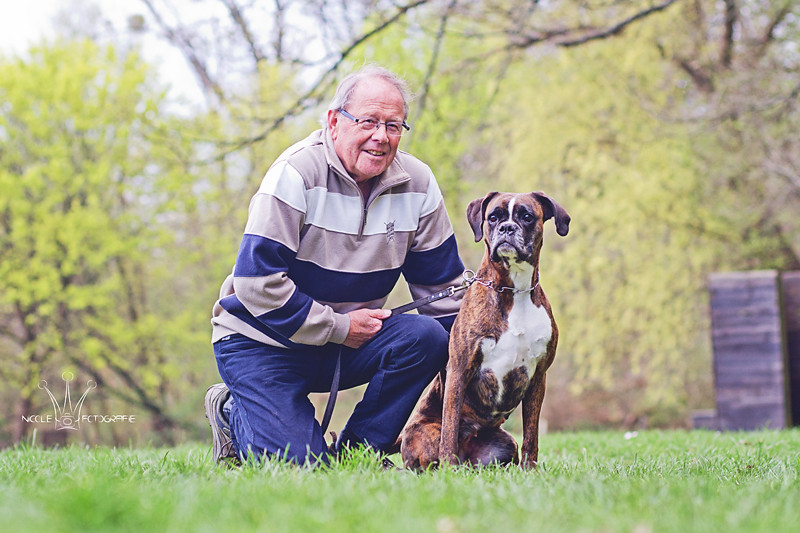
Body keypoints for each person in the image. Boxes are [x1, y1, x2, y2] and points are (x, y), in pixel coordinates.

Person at [204, 65, 466, 465]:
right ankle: (232, 413)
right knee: (299, 469)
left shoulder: (418, 183)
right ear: (334, 121)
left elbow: (443, 292)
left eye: (394, 126)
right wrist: (339, 327)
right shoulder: (295, 174)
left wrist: (481, 360)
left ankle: (358, 453)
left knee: (426, 336)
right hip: (260, 341)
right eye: (368, 122)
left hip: (344, 343)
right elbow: (256, 283)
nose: (381, 137)